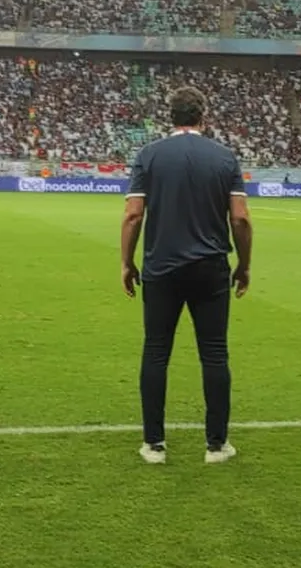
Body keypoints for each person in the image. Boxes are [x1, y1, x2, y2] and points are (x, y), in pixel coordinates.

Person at [121, 86, 252, 466]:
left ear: (170, 116)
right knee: (214, 353)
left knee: (156, 352)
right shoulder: (225, 157)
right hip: (211, 268)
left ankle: (154, 445)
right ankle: (216, 445)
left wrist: (127, 263)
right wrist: (243, 265)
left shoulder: (149, 155)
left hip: (161, 267)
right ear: (203, 116)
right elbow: (240, 218)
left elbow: (133, 215)